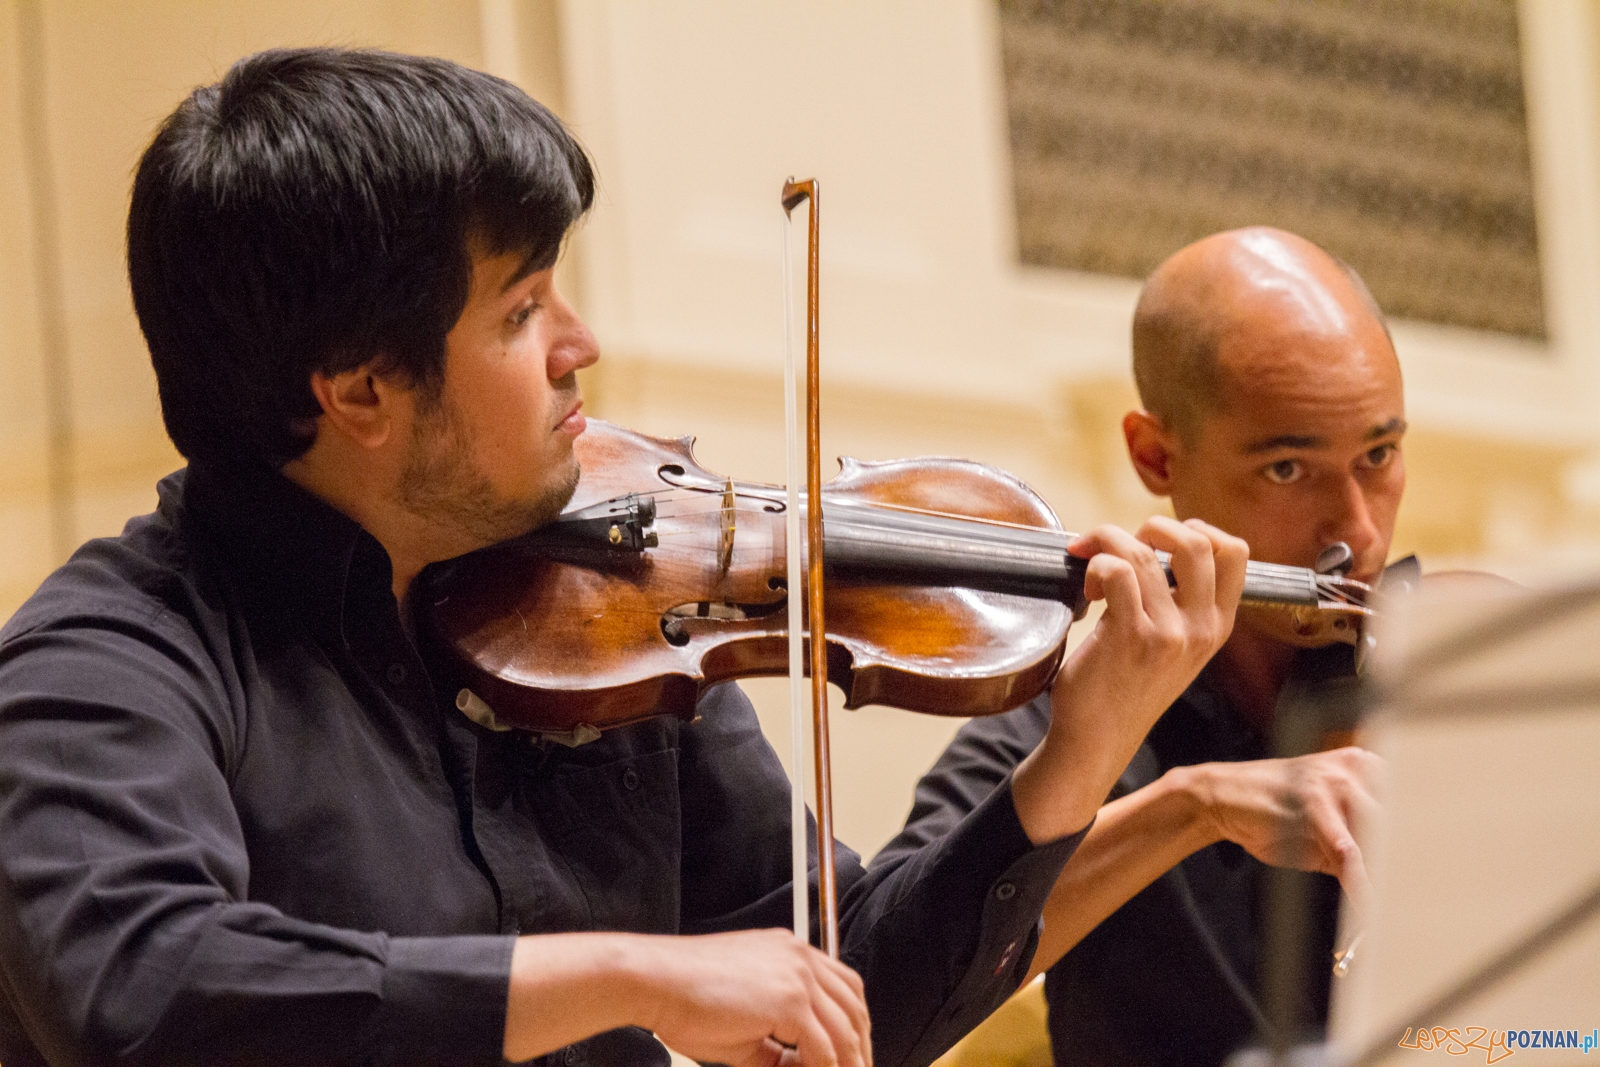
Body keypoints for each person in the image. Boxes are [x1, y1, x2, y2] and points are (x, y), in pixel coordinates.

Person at [0, 49, 1248, 1067]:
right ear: (360, 390)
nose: (580, 342)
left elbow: (850, 990)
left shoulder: (609, 609)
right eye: (521, 309)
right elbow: (146, 990)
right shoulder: (105, 664)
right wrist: (623, 972)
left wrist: (1077, 750)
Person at [887, 227, 1402, 1066]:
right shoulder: (1065, 726)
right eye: (1287, 469)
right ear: (1155, 454)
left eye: (1380, 454)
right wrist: (1188, 807)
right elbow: (887, 998)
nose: (1358, 529)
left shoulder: (1465, 669)